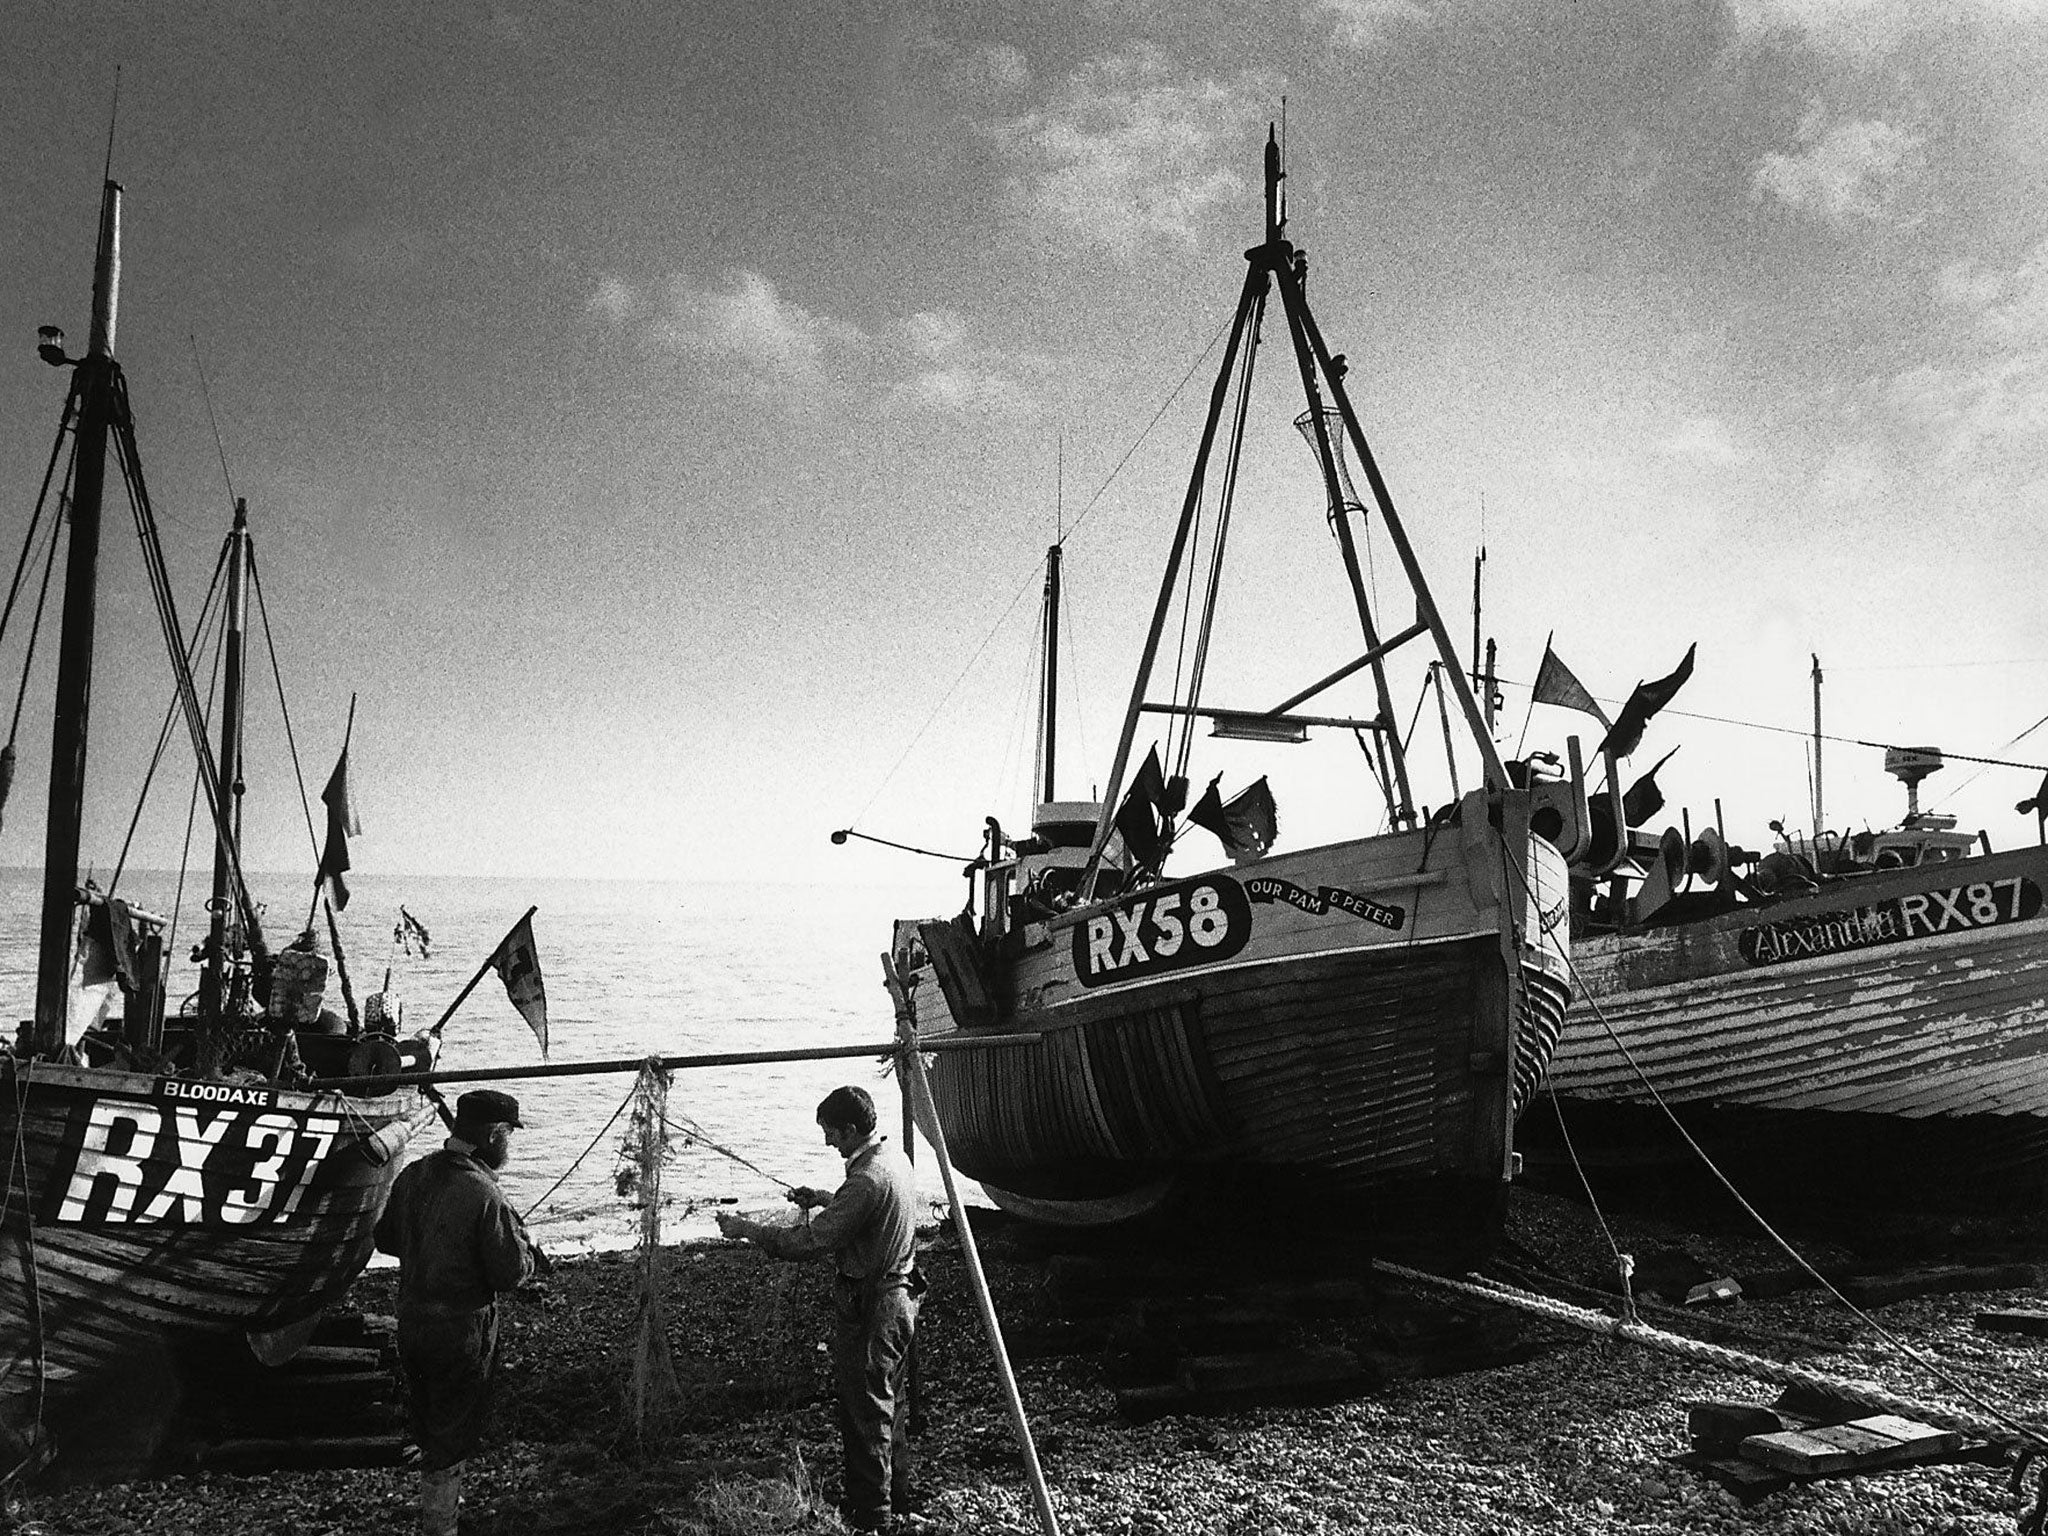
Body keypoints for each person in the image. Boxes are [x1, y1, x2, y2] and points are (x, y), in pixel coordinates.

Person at [717, 1085, 922, 1533]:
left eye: (831, 1133)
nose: (827, 1141)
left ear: (851, 1130)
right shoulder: (891, 1160)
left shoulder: (866, 1181)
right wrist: (827, 1199)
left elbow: (807, 1243)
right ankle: (897, 1500)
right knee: (891, 1403)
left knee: (865, 1408)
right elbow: (865, 1208)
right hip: (902, 1298)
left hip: (875, 1307)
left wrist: (746, 1230)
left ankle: (874, 1518)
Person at [374, 1088, 540, 1536]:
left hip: (410, 1324)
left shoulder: (412, 1175)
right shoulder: (484, 1192)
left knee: (428, 1421)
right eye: (507, 1134)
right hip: (460, 1332)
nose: (509, 1143)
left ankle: (438, 1505)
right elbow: (509, 1273)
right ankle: (440, 1525)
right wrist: (527, 1253)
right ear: (490, 1136)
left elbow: (384, 1239)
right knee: (451, 1430)